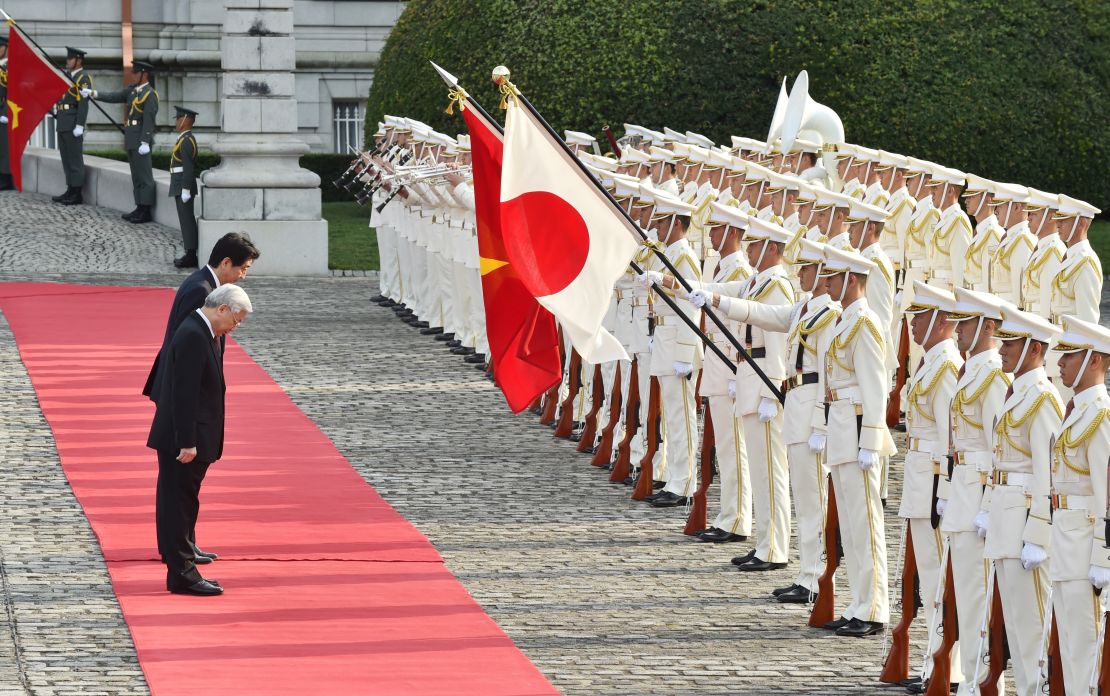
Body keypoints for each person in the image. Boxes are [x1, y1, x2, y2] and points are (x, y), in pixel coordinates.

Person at [977, 305, 1063, 696]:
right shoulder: (1017, 394)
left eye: (1011, 343)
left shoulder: (1042, 399)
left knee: (1032, 631)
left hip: (1025, 526)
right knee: (1015, 624)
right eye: (1003, 340)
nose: (1003, 349)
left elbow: (1049, 474)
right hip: (1006, 522)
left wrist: (1039, 534)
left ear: (1034, 349)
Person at [147, 284, 253, 595]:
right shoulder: (194, 334)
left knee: (182, 501)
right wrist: (187, 441)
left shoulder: (202, 331)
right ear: (222, 309)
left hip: (186, 435)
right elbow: (184, 394)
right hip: (183, 439)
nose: (235, 327)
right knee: (178, 503)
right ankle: (183, 574)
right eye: (236, 320)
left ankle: (183, 566)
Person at [818, 245, 895, 637]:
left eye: (832, 276)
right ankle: (858, 602)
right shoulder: (842, 319)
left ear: (851, 280)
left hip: (858, 428)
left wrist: (872, 440)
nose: (825, 282)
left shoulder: (864, 322)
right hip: (842, 427)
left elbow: (875, 385)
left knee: (866, 524)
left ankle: (875, 608)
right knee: (850, 525)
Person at [937, 287, 1009, 694]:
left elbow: (999, 449)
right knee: (965, 594)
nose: (957, 330)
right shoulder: (971, 371)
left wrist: (987, 506)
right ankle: (966, 675)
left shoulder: (993, 377)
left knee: (979, 595)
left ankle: (983, 681)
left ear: (985, 327)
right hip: (962, 492)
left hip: (979, 497)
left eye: (965, 323)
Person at [1045, 316, 1110, 694]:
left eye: (1069, 356)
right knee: (1069, 649)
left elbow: (1107, 494)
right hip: (1066, 543)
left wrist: (1103, 559)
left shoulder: (1100, 415)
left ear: (1094, 360)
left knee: (1085, 650)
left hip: (1085, 548)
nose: (1060, 363)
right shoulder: (1078, 411)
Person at [81, 60, 159, 223]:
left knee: (144, 177)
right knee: (136, 176)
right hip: (131, 137)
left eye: (136, 73)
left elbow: (149, 120)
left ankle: (145, 210)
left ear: (144, 74)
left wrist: (145, 141)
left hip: (140, 140)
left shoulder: (149, 95)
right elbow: (113, 96)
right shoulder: (133, 91)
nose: (133, 75)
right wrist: (93, 93)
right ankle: (139, 206)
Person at [52, 47, 92, 205]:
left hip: (73, 122)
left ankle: (77, 193)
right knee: (66, 158)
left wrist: (80, 125)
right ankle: (70, 189)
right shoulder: (67, 76)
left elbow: (83, 104)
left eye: (70, 59)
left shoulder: (83, 78)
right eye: (67, 59)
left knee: (75, 159)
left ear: (78, 60)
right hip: (63, 120)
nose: (67, 61)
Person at [169, 106, 200, 268]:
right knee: (184, 219)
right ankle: (189, 252)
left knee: (187, 220)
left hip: (183, 185)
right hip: (179, 183)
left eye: (178, 118)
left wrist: (186, 189)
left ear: (185, 120)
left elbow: (188, 167)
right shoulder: (183, 139)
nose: (176, 121)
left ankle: (191, 255)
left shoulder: (187, 141)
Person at [0, 36, 10, 192]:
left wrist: (7, 112)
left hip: (5, 111)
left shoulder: (10, 66)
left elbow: (13, 92)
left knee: (5, 146)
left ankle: (6, 178)